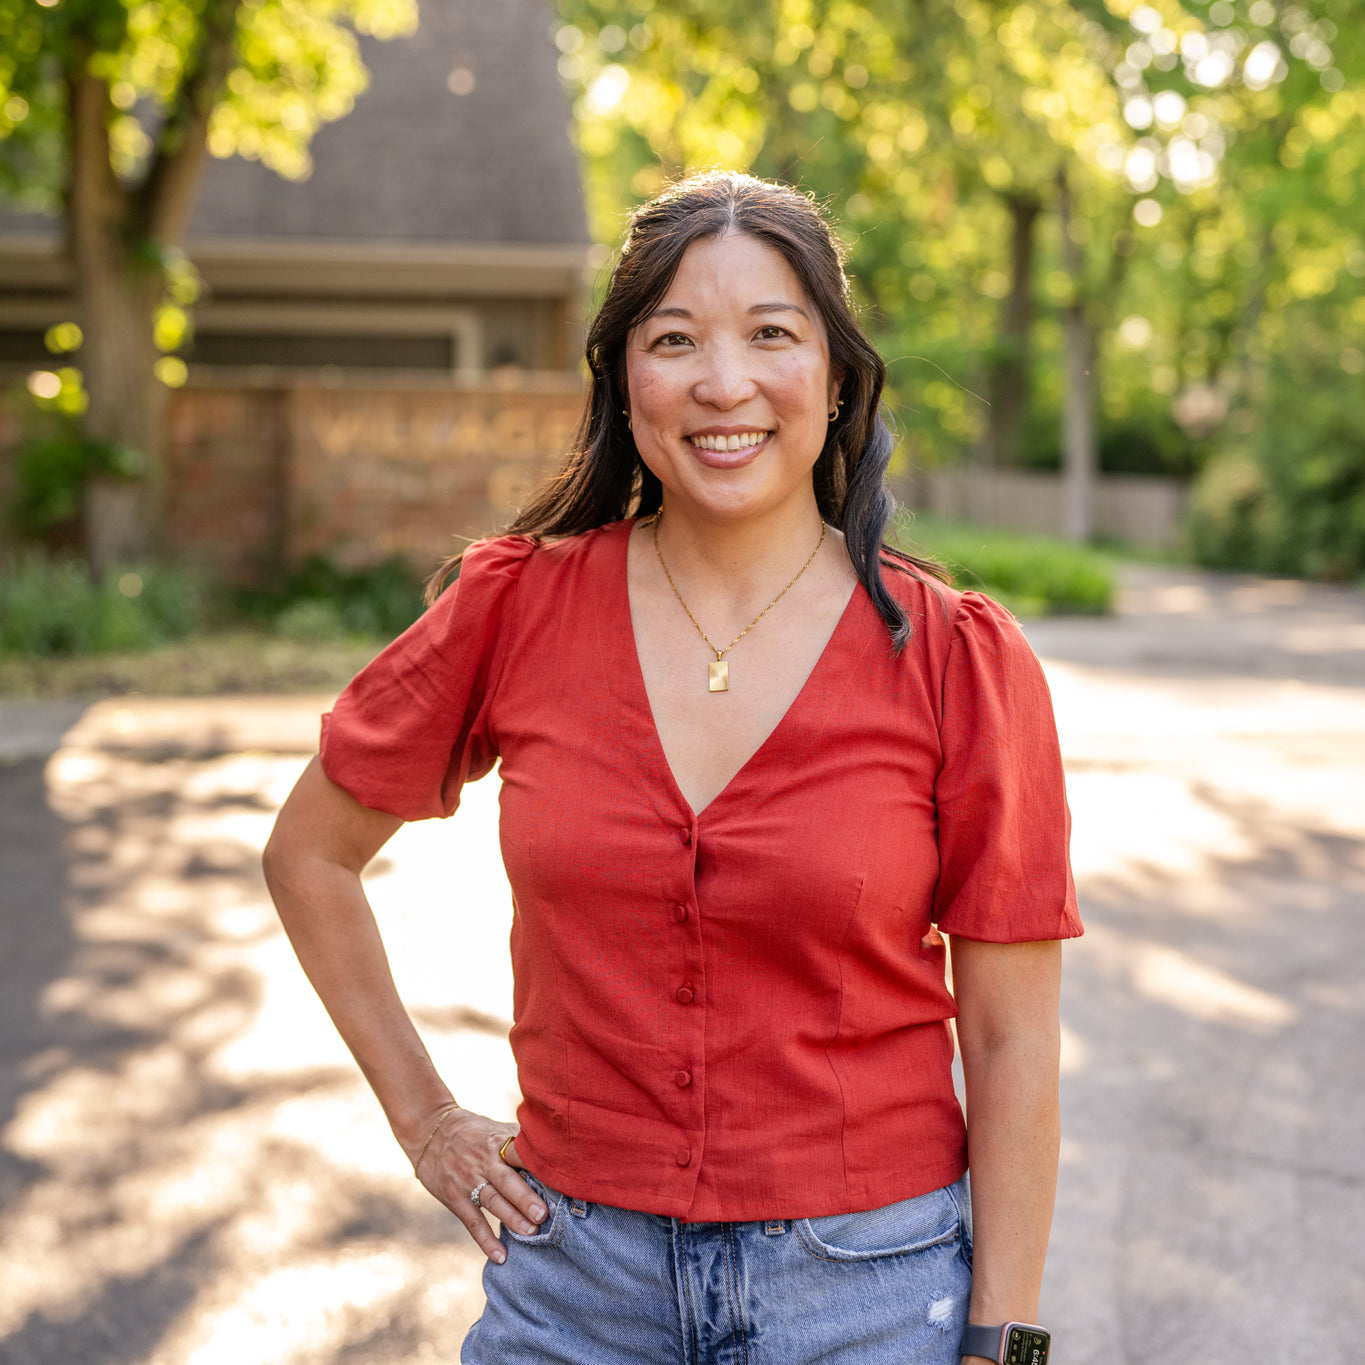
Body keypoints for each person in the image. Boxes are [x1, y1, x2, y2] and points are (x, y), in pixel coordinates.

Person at [263, 170, 1082, 1365]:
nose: (723, 382)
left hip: (868, 1296)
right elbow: (310, 855)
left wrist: (1003, 1344)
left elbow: (1011, 1044)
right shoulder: (515, 605)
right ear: (624, 378)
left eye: (771, 335)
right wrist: (427, 1120)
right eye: (675, 339)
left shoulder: (956, 659)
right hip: (572, 1290)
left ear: (838, 374)